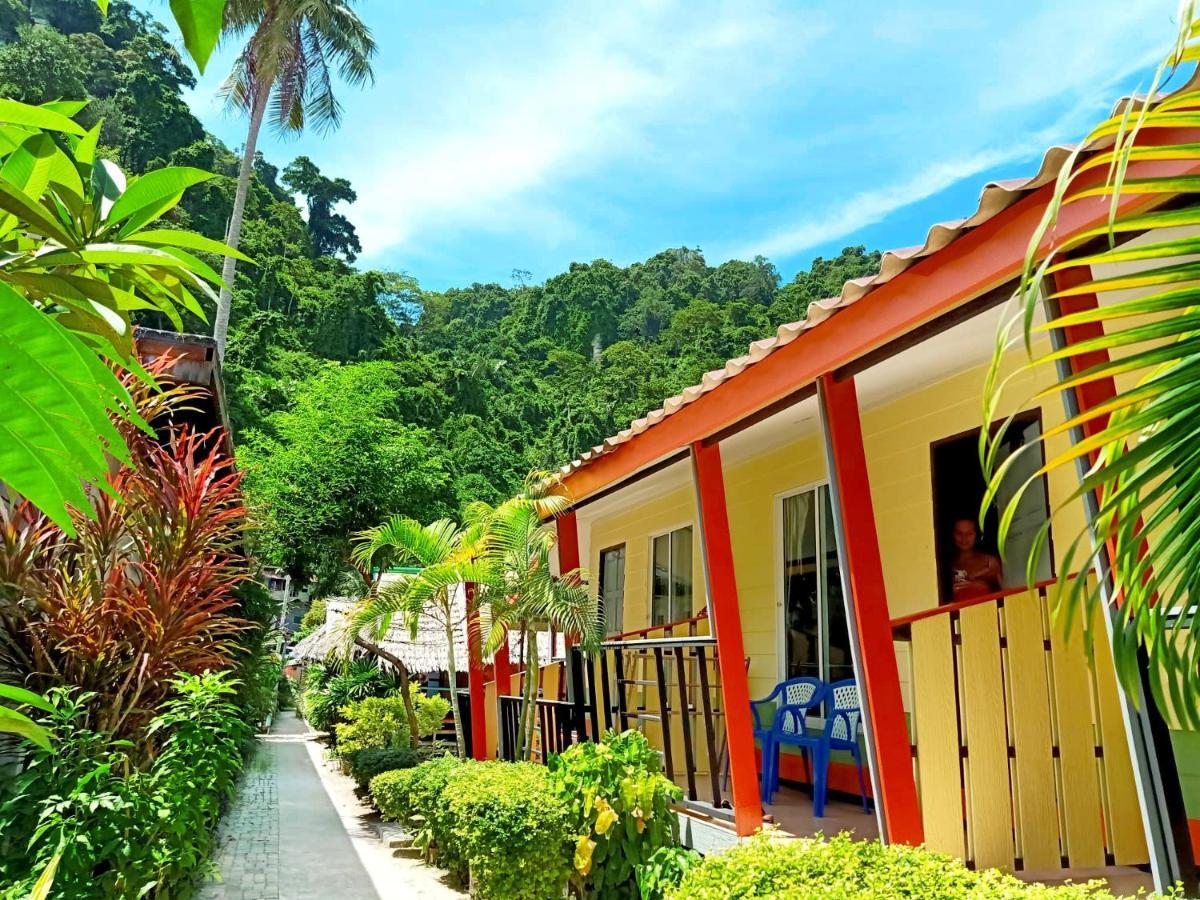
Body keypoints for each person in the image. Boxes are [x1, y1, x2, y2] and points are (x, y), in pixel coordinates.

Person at [948, 518, 1002, 600]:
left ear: (977, 535)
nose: (964, 538)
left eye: (969, 534)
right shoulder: (947, 566)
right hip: (960, 611)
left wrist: (976, 577)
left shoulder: (989, 561)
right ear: (952, 534)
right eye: (959, 533)